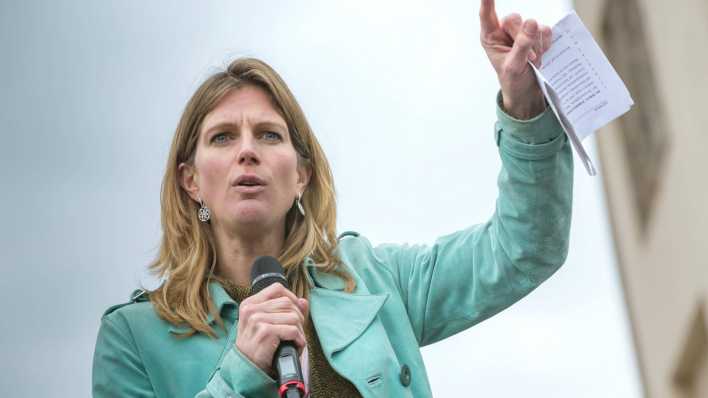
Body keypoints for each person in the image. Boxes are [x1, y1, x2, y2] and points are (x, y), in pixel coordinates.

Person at [92, 1, 573, 397]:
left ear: (301, 175)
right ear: (190, 181)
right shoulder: (134, 339)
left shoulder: (372, 280)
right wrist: (240, 371)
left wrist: (525, 109)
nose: (246, 151)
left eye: (268, 135)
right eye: (221, 138)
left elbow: (523, 250)